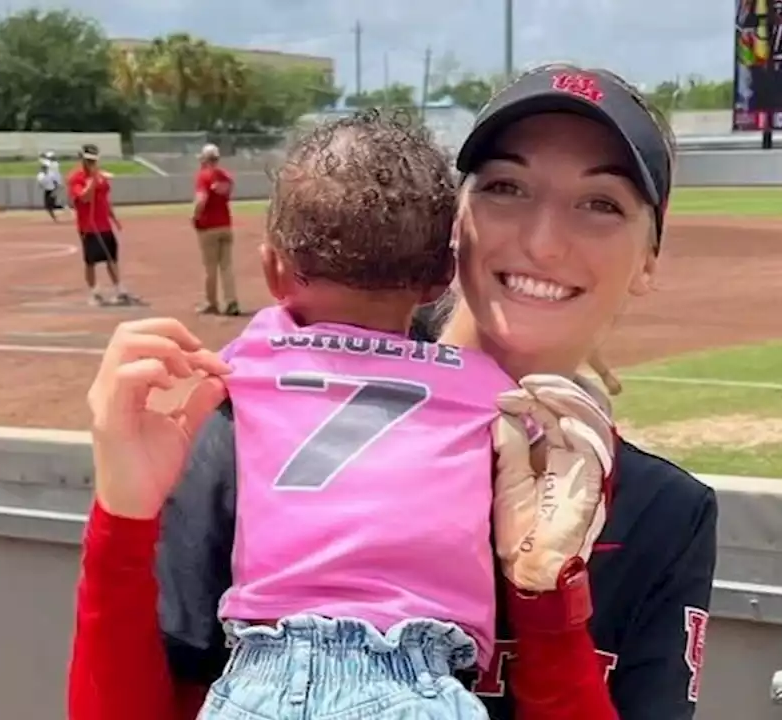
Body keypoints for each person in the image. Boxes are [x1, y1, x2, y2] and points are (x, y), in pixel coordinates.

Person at [70, 64, 718, 720]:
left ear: (649, 260)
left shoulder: (663, 513)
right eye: (506, 187)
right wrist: (120, 524)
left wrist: (548, 604)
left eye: (601, 203)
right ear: (453, 226)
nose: (543, 242)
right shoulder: (251, 428)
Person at [68, 143, 129, 306]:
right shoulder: (76, 178)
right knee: (91, 261)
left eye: (93, 161)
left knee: (112, 258)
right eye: (88, 161)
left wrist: (114, 218)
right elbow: (84, 197)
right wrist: (93, 180)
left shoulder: (101, 177)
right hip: (88, 226)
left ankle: (119, 290)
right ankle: (94, 292)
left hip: (104, 225)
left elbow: (104, 200)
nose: (91, 164)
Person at [192, 143, 240, 316]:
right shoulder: (226, 177)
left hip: (208, 226)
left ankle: (211, 302)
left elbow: (201, 200)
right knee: (226, 266)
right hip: (225, 224)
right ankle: (231, 301)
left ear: (204, 159)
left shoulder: (203, 176)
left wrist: (195, 216)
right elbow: (228, 192)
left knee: (210, 267)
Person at [38, 157, 62, 222]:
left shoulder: (51, 174)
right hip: (47, 190)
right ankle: (55, 217)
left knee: (51, 205)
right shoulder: (41, 175)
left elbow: (56, 182)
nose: (44, 169)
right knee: (48, 206)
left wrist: (56, 189)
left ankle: (62, 209)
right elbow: (40, 183)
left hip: (52, 190)